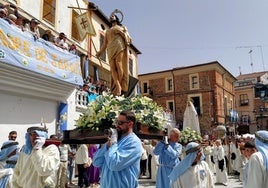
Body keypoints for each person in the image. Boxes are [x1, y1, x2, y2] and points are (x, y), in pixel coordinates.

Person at [93, 110, 143, 188]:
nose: (117, 125)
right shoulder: (115, 140)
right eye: (116, 122)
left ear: (130, 124)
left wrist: (113, 144)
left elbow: (114, 165)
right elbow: (96, 162)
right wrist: (107, 146)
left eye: (120, 123)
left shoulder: (134, 142)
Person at [96, 10, 131, 96]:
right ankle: (118, 85)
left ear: (117, 18)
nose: (111, 16)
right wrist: (100, 52)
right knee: (112, 68)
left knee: (119, 65)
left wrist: (125, 32)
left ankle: (118, 86)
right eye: (110, 16)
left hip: (119, 46)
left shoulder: (121, 27)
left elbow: (128, 38)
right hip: (110, 48)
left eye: (113, 16)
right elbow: (104, 44)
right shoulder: (107, 31)